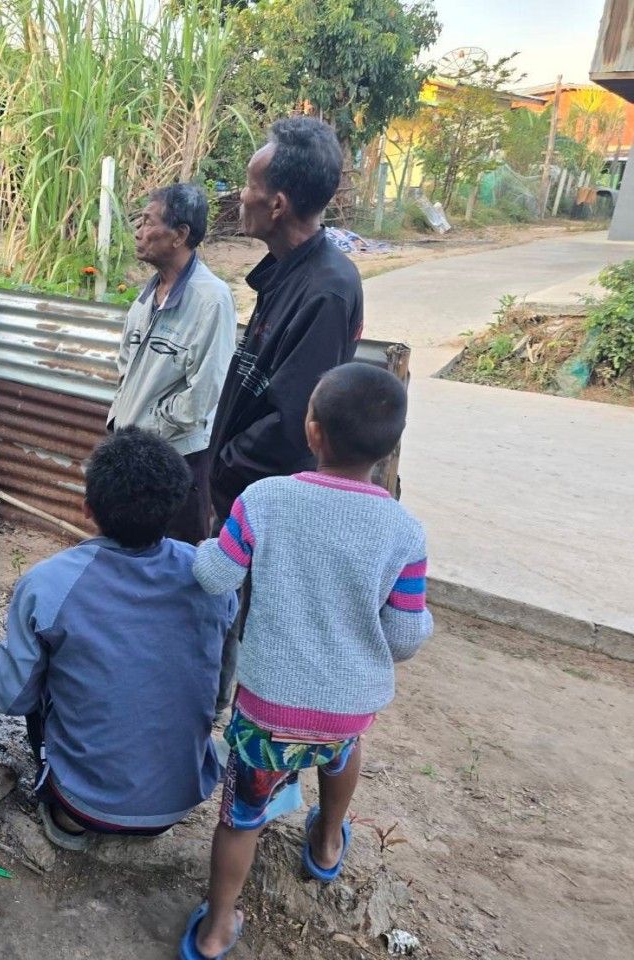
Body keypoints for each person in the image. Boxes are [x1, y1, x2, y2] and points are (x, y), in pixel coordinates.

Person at [180, 362, 433, 960]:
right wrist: (424, 620)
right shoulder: (404, 531)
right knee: (342, 750)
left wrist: (206, 546)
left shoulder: (264, 500)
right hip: (345, 712)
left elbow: (216, 576)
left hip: (269, 709)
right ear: (390, 445)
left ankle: (217, 931)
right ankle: (324, 844)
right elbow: (403, 638)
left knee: (242, 816)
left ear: (312, 432)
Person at [0, 428, 237, 848]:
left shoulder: (49, 583)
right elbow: (219, 691)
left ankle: (67, 823)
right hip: (179, 801)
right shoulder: (209, 574)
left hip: (84, 803)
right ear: (175, 508)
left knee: (34, 674)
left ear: (87, 508)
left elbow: (13, 699)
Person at [206, 116, 364, 720]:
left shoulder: (326, 288)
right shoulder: (291, 272)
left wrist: (223, 467)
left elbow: (294, 421)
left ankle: (252, 738)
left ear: (275, 204)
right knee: (233, 613)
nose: (239, 196)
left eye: (247, 184)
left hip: (263, 494)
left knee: (252, 621)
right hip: (242, 486)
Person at [107, 183, 236, 545]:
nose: (138, 231)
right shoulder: (148, 294)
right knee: (132, 552)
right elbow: (125, 366)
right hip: (135, 451)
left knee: (177, 556)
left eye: (148, 221)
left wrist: (149, 428)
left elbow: (206, 391)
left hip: (178, 460)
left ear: (180, 235)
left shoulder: (211, 299)